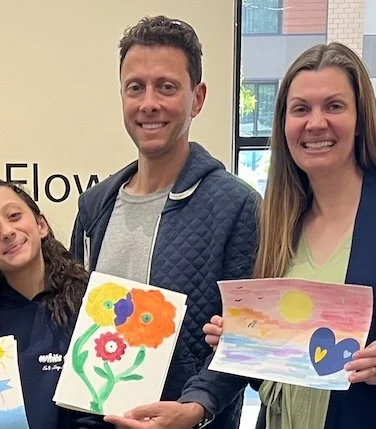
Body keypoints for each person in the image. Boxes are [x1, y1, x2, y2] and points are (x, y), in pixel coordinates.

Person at [126, 41, 376, 429]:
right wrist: (244, 343)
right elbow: (284, 368)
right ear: (284, 124)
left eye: (333, 106)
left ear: (360, 118)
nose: (316, 123)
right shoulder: (275, 222)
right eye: (300, 109)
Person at [70, 16, 260, 428]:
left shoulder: (237, 206)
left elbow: (246, 342)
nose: (148, 103)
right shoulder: (94, 207)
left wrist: (196, 407)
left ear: (197, 98)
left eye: (166, 87)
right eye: (135, 87)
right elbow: (68, 320)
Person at [0, 179, 111, 429]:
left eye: (14, 216)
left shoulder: (95, 303)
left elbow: (108, 407)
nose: (7, 232)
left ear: (41, 225)